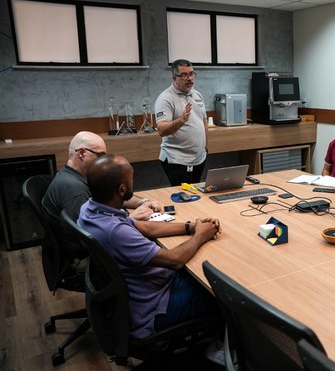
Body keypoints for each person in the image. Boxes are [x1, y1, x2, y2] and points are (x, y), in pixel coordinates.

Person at [78, 154, 223, 339]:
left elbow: (143, 226)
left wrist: (190, 227)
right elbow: (175, 260)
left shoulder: (90, 209)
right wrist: (201, 236)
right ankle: (217, 349)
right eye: (131, 177)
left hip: (146, 288)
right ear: (122, 189)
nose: (133, 180)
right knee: (224, 294)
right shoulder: (115, 232)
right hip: (155, 305)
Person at [42, 131, 161, 265]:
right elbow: (90, 238)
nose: (104, 162)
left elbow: (110, 195)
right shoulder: (75, 190)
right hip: (88, 259)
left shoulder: (76, 177)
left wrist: (143, 202)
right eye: (100, 156)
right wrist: (130, 220)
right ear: (81, 153)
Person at [155, 59, 208, 186]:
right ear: (174, 78)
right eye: (184, 75)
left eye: (191, 74)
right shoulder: (165, 98)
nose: (189, 78)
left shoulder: (197, 95)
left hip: (199, 158)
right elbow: (161, 130)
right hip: (177, 160)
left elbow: (204, 121)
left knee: (196, 197)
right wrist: (181, 120)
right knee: (183, 200)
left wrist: (204, 148)